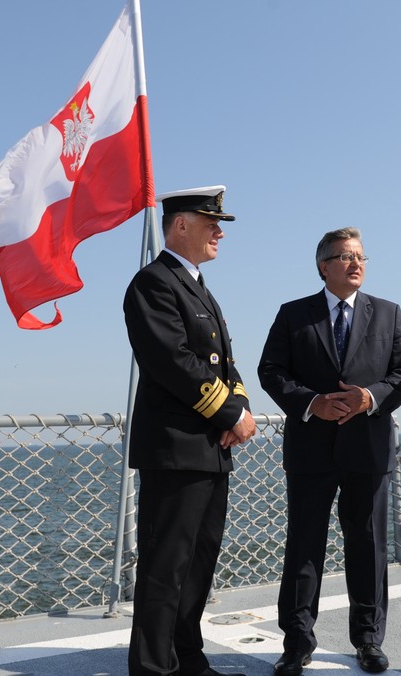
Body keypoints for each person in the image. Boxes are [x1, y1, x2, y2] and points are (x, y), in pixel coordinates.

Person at [258, 227, 401, 676]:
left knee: (368, 546)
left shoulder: (388, 313)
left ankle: (368, 639)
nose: (356, 264)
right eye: (345, 257)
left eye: (361, 257)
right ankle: (296, 642)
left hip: (367, 449)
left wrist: (370, 397)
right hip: (311, 448)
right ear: (323, 266)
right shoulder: (294, 315)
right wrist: (313, 403)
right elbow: (270, 371)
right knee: (304, 546)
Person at [123, 185, 257, 676]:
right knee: (165, 567)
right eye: (211, 222)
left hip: (210, 449)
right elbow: (174, 363)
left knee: (199, 564)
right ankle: (154, 667)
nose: (220, 231)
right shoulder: (153, 284)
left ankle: (187, 657)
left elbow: (225, 364)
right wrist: (229, 416)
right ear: (181, 225)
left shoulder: (199, 287)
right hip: (175, 449)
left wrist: (239, 407)